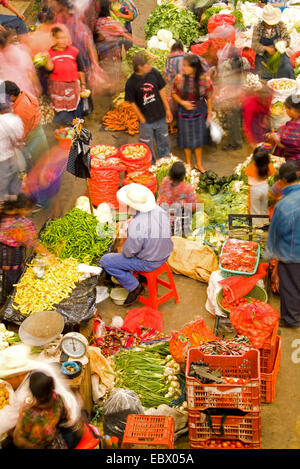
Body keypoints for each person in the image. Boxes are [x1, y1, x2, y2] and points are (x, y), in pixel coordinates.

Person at [101, 183, 173, 306]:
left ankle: (135, 287)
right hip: (165, 254)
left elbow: (129, 252)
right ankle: (139, 278)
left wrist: (122, 244)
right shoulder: (160, 210)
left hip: (149, 262)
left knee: (106, 260)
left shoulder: (137, 224)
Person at [0, 194, 54, 305]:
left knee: (4, 273)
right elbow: (34, 244)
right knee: (10, 277)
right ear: (22, 209)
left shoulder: (4, 210)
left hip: (3, 247)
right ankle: (6, 300)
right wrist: (49, 255)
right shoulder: (21, 225)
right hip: (11, 254)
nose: (30, 211)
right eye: (29, 209)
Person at [267, 161, 300, 328]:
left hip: (292, 254)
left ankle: (290, 320)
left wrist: (271, 260)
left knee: (290, 288)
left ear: (282, 181)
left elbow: (274, 238)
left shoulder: (284, 206)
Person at [125, 52, 173, 163]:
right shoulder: (131, 83)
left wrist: (167, 109)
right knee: (146, 146)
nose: (150, 66)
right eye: (147, 64)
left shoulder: (154, 73)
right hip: (146, 121)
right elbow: (132, 102)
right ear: (140, 67)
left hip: (160, 116)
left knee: (164, 141)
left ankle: (165, 162)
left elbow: (161, 91)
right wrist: (141, 118)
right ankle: (151, 166)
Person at [171, 54, 213, 172]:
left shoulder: (204, 79)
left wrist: (209, 113)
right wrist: (183, 102)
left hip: (199, 111)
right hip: (184, 112)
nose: (183, 68)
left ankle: (198, 164)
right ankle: (188, 163)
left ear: (194, 67)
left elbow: (209, 96)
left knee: (199, 139)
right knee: (186, 139)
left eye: (186, 66)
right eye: (183, 65)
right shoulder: (179, 79)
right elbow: (173, 93)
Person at [13, 371, 70, 449]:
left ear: (33, 394)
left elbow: (18, 439)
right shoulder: (58, 400)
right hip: (53, 442)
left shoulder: (28, 414)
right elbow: (66, 417)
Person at [43, 26, 86, 125]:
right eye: (60, 38)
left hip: (73, 87)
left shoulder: (74, 51)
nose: (63, 40)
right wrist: (47, 59)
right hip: (58, 89)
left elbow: (81, 69)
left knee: (75, 109)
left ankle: (76, 128)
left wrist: (83, 85)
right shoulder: (50, 53)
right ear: (54, 39)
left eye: (65, 38)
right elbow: (50, 69)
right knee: (61, 110)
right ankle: (63, 128)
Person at [4, 81, 49, 168]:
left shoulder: (21, 110)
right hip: (37, 131)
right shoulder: (25, 94)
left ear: (12, 96)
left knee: (38, 163)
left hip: (33, 136)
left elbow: (22, 134)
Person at [215, 50, 250, 151]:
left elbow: (224, 81)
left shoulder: (226, 66)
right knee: (241, 117)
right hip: (243, 94)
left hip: (233, 96)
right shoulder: (245, 62)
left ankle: (235, 143)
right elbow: (247, 75)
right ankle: (244, 138)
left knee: (233, 119)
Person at [252, 4, 294, 80]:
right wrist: (265, 48)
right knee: (262, 75)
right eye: (268, 23)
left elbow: (287, 38)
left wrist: (283, 43)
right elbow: (254, 45)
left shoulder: (280, 25)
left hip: (279, 54)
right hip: (263, 57)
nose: (270, 25)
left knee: (287, 69)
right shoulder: (258, 28)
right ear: (264, 20)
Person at [157, 161, 199, 235]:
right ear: (183, 176)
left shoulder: (165, 181)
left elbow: (160, 196)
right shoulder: (186, 187)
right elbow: (194, 205)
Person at [244, 146, 275, 225]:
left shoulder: (250, 168)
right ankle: (265, 223)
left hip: (254, 189)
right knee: (264, 207)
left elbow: (246, 173)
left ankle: (257, 225)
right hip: (265, 187)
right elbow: (272, 172)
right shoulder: (269, 167)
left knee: (255, 209)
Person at [0, 100, 24, 200]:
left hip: (3, 160)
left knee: (3, 187)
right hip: (11, 157)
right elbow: (19, 141)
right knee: (14, 183)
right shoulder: (15, 119)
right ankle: (14, 206)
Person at [266, 94, 300, 161]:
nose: (285, 111)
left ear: (292, 110)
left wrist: (275, 137)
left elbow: (283, 145)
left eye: (286, 108)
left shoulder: (294, 127)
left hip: (295, 159)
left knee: (265, 146)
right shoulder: (295, 121)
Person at [242, 84, 272, 149]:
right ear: (258, 95)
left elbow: (267, 107)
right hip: (253, 122)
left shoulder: (268, 97)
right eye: (263, 98)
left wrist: (266, 117)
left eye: (266, 98)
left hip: (261, 119)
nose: (265, 101)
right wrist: (251, 141)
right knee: (257, 145)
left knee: (266, 142)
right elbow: (246, 124)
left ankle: (266, 150)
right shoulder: (250, 104)